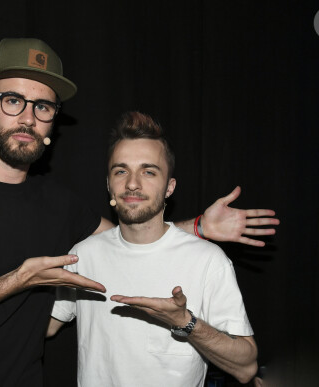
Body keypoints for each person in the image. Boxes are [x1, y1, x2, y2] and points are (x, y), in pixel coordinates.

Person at [0, 39, 277, 386]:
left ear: (53, 121)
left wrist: (201, 227)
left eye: (43, 107)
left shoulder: (60, 205)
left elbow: (134, 238)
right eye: (13, 100)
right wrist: (15, 282)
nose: (28, 117)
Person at [48, 111, 260, 387]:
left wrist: (184, 322)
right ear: (108, 185)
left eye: (148, 171)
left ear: (169, 187)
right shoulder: (83, 255)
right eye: (121, 171)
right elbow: (42, 329)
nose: (132, 183)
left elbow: (246, 367)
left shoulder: (207, 260)